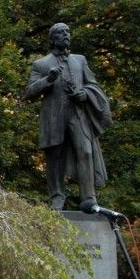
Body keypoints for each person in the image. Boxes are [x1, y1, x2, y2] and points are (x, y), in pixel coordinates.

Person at [24, 23, 112, 211]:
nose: (66, 35)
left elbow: (93, 85)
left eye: (67, 32)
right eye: (61, 33)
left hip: (78, 115)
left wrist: (85, 94)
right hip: (54, 118)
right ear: (53, 39)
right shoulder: (42, 64)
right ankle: (57, 197)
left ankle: (89, 199)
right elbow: (29, 92)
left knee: (86, 152)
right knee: (55, 158)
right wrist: (48, 79)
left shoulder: (80, 60)